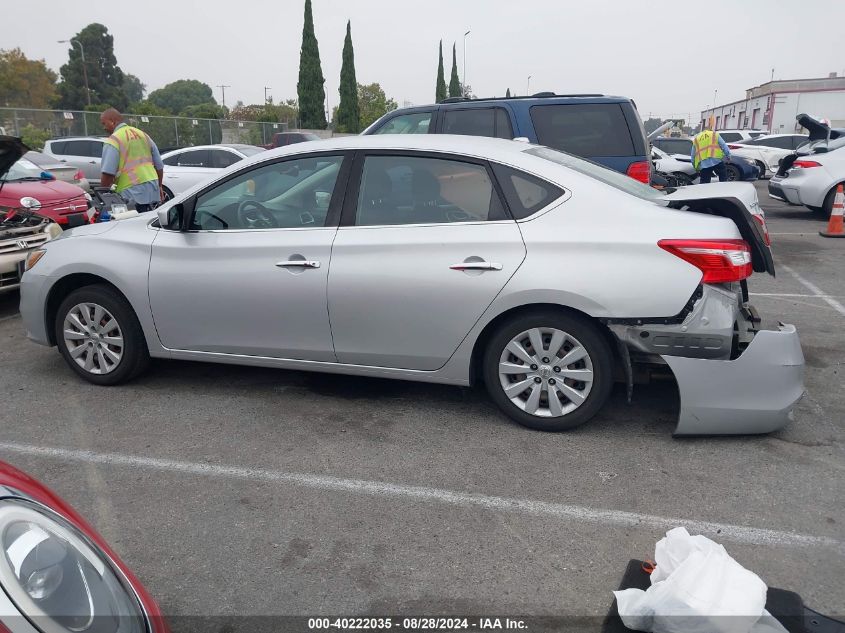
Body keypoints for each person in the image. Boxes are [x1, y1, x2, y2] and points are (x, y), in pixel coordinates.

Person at [99, 108, 164, 212]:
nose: (104, 128)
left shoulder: (114, 140)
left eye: (104, 123)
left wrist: (102, 196)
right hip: (152, 189)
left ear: (112, 121)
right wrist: (159, 186)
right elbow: (159, 165)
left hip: (131, 193)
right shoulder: (143, 135)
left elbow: (108, 174)